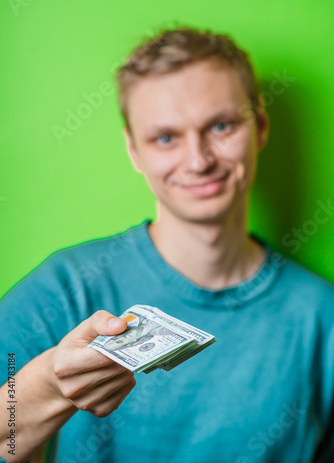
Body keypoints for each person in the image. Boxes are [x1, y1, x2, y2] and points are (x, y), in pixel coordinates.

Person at [0, 26, 333, 463]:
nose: (198, 161)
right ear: (134, 150)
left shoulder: (321, 317)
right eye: (165, 137)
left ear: (261, 126)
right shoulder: (66, 288)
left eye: (220, 125)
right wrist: (46, 384)